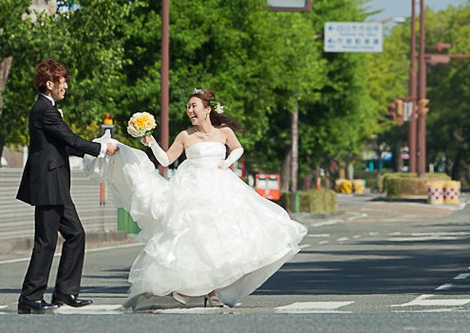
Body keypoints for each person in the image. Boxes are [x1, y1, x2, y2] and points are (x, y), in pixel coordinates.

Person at [85, 88, 307, 310]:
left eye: (194, 106)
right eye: (188, 106)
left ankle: (213, 290)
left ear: (207, 109)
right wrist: (151, 142)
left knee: (222, 238)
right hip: (190, 188)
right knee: (193, 239)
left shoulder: (224, 132)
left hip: (220, 185)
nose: (190, 110)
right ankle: (198, 290)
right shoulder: (185, 136)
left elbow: (238, 148)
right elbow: (166, 160)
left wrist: (227, 161)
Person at [16, 59, 118, 314]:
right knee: (46, 241)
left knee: (75, 234)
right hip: (48, 183)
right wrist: (102, 148)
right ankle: (30, 297)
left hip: (55, 183)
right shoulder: (44, 109)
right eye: (63, 83)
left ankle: (65, 292)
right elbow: (70, 138)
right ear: (49, 84)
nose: (66, 88)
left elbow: (67, 144)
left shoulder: (48, 108)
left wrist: (98, 149)